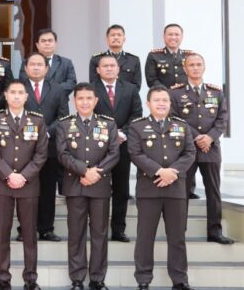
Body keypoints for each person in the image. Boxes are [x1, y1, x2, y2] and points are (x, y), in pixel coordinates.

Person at [128, 86, 196, 290]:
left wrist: (172, 172)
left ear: (170, 103)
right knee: (145, 237)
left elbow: (190, 153)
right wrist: (159, 171)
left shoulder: (181, 125)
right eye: (157, 100)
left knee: (177, 237)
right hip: (149, 189)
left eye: (165, 100)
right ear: (148, 103)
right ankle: (143, 279)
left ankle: (179, 279)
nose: (161, 104)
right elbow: (135, 153)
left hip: (176, 189)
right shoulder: (137, 127)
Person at [56, 83, 120, 290]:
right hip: (75, 185)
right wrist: (84, 171)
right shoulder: (64, 124)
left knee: (99, 233)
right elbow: (62, 154)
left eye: (88, 98)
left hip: (100, 185)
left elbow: (114, 153)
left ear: (96, 101)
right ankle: (77, 278)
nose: (84, 102)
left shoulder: (108, 124)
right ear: (74, 101)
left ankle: (97, 279)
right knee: (76, 233)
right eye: (80, 98)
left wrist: (95, 173)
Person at [0, 80, 48, 290]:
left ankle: (31, 279)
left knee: (29, 234)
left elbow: (41, 153)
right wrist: (9, 175)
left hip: (28, 185)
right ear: (6, 95)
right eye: (13, 92)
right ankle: (3, 278)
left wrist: (23, 176)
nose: (17, 96)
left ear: (26, 96)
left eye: (21, 92)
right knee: (3, 233)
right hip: (2, 184)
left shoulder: (37, 120)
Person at [170, 53, 234, 244]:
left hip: (211, 149)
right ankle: (179, 232)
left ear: (204, 67)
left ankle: (215, 232)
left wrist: (210, 137)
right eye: (191, 65)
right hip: (186, 149)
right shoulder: (175, 93)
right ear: (185, 68)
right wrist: (197, 137)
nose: (195, 68)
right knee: (182, 192)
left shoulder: (216, 92)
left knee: (213, 191)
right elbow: (174, 119)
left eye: (199, 64)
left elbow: (222, 119)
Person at [91, 54, 142, 243]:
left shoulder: (130, 89)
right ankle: (98, 229)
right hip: (98, 146)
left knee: (121, 189)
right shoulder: (91, 89)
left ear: (118, 69)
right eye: (105, 66)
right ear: (98, 70)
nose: (109, 68)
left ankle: (119, 229)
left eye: (112, 65)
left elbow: (137, 114)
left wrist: (122, 134)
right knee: (99, 189)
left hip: (123, 145)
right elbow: (88, 113)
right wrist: (110, 135)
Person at [21, 52, 69, 241]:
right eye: (32, 64)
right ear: (26, 68)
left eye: (39, 64)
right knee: (26, 191)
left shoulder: (58, 90)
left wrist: (46, 131)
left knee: (48, 190)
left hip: (50, 147)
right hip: (24, 147)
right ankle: (25, 228)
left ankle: (46, 228)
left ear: (47, 68)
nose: (36, 67)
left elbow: (63, 117)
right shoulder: (18, 88)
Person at [19, 28, 76, 94]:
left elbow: (71, 84)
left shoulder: (66, 63)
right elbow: (24, 82)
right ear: (37, 45)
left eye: (50, 40)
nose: (47, 43)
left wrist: (51, 90)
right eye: (43, 41)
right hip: (34, 99)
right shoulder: (27, 62)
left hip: (59, 99)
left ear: (55, 44)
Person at [88, 24, 142, 89]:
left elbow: (136, 86)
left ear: (124, 39)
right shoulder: (96, 59)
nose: (116, 37)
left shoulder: (133, 60)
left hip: (127, 95)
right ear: (107, 39)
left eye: (119, 35)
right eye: (112, 35)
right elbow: (93, 84)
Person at [145, 23, 193, 89]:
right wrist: (167, 92)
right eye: (170, 34)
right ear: (164, 37)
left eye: (177, 34)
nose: (173, 37)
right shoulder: (154, 56)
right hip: (163, 94)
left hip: (185, 93)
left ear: (182, 37)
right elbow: (151, 80)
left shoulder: (189, 56)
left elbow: (194, 77)